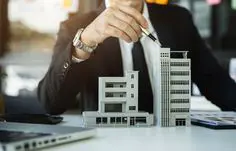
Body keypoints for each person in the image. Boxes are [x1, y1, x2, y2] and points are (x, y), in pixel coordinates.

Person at [38, 0, 236, 115]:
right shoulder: (75, 27)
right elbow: (51, 104)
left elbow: (216, 83)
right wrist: (85, 41)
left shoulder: (178, 19)